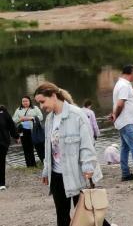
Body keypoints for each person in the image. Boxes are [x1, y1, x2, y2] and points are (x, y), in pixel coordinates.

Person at [34, 83, 113, 226]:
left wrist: (88, 167)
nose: (41, 106)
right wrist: (46, 171)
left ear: (53, 95)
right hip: (57, 176)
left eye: (42, 101)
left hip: (77, 173)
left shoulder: (77, 114)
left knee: (88, 212)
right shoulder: (49, 119)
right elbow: (48, 147)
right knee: (62, 216)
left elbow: (87, 144)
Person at [12, 95, 44, 167]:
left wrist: (30, 118)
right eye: (23, 101)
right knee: (27, 148)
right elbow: (14, 119)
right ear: (21, 102)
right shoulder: (18, 110)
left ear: (29, 101)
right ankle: (30, 165)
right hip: (23, 131)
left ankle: (44, 162)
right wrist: (20, 119)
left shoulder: (35, 108)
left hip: (34, 130)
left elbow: (41, 117)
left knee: (39, 147)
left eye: (26, 101)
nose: (25, 102)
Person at [0, 105, 20, 190]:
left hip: (2, 141)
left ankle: (1, 184)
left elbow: (11, 124)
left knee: (1, 161)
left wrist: (16, 136)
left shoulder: (3, 111)